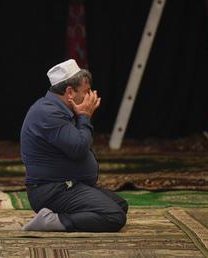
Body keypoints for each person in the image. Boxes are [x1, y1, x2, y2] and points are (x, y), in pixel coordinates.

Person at [20, 59, 128, 232]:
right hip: (52, 191)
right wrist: (85, 116)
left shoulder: (60, 109)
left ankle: (60, 215)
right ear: (69, 92)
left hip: (68, 185)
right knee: (114, 216)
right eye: (86, 91)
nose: (89, 96)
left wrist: (81, 116)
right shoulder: (47, 113)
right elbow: (78, 148)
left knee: (120, 205)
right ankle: (53, 220)